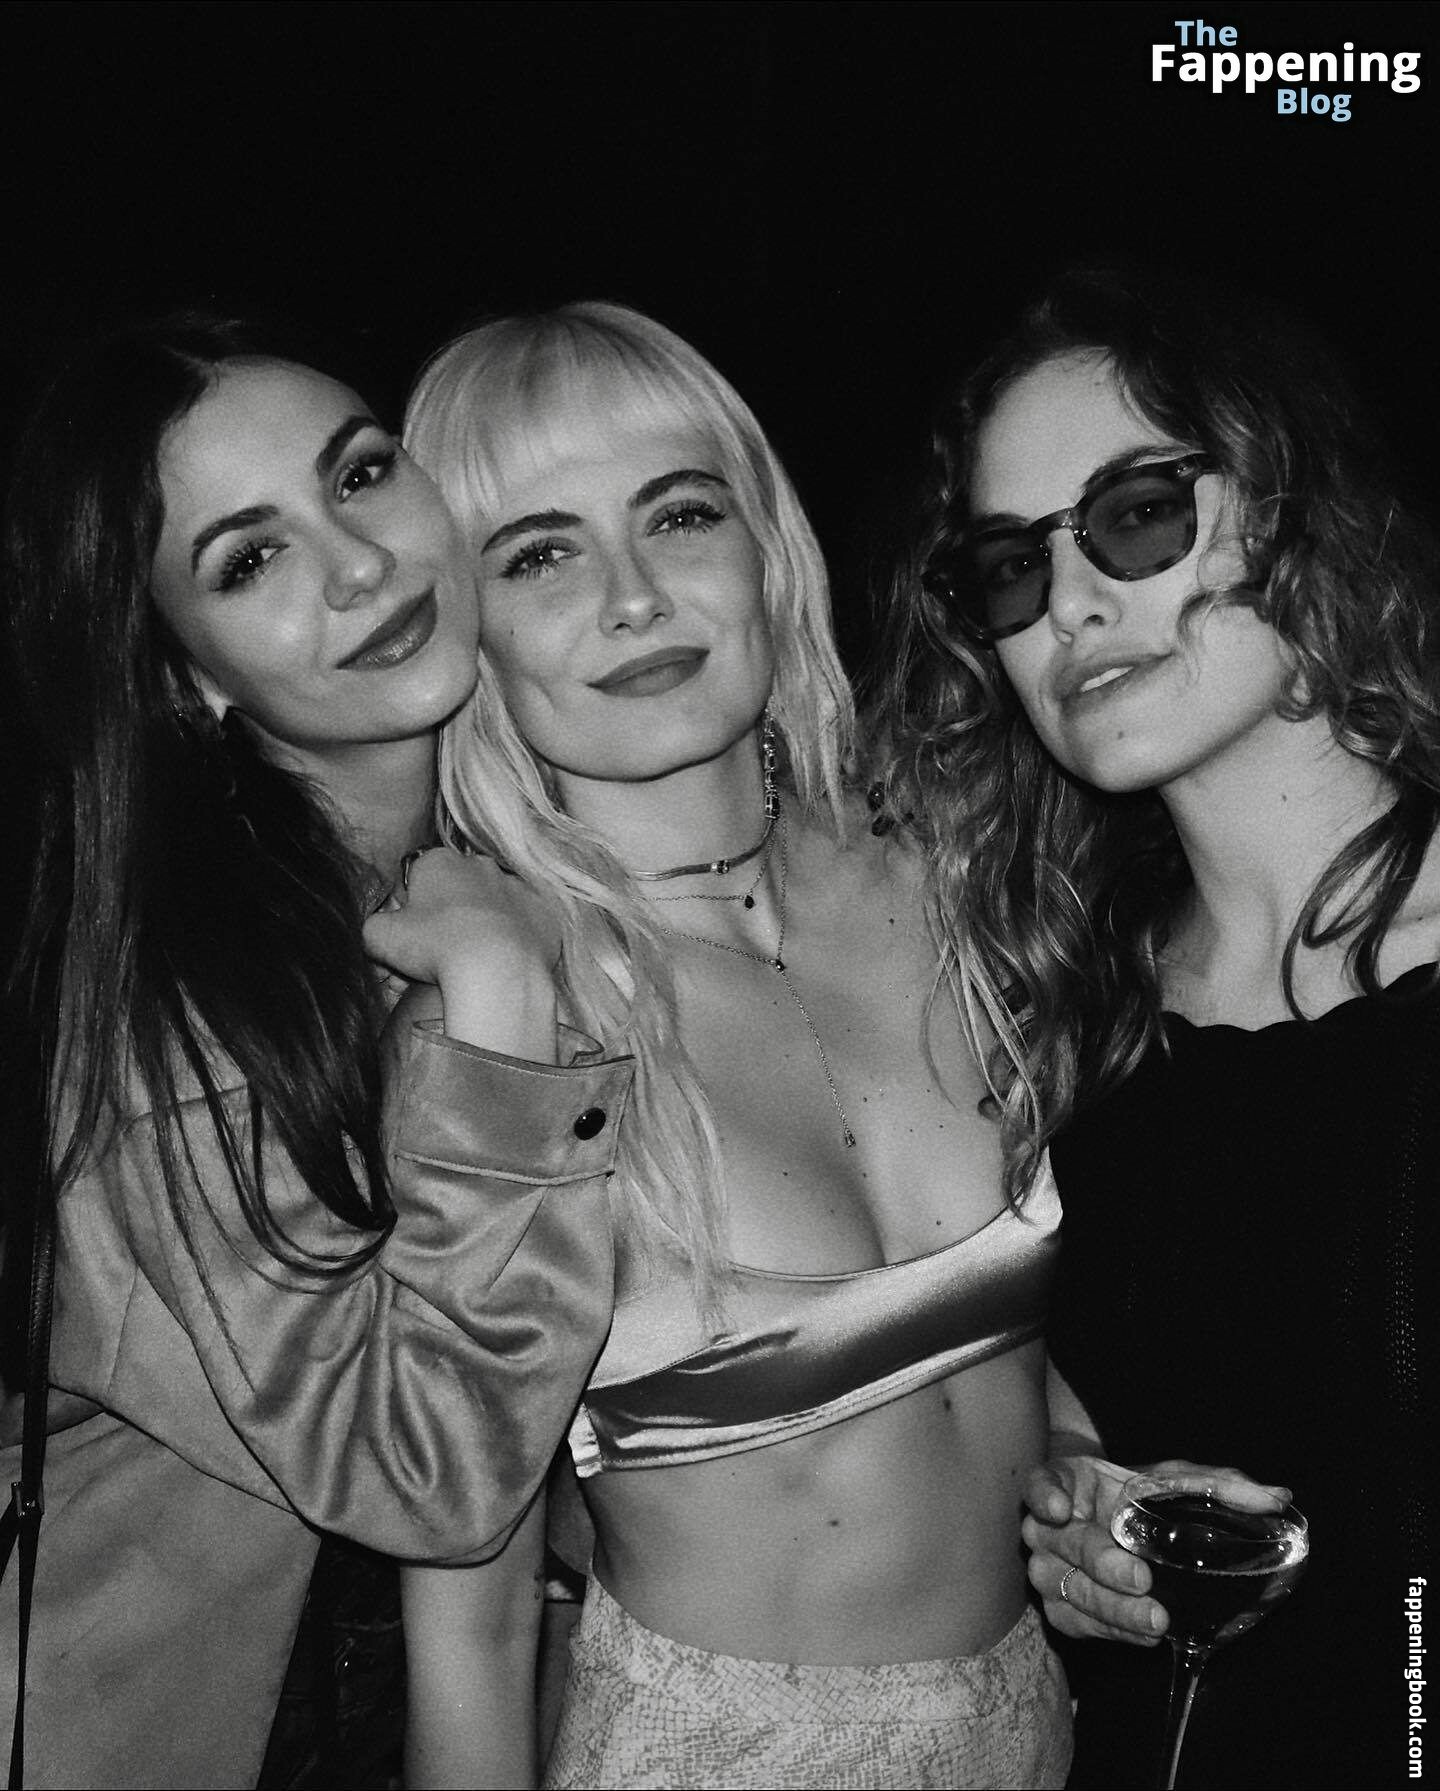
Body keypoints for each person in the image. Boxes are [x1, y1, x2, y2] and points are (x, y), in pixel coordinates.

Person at [380, 300, 1073, 1791]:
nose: (633, 597)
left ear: (767, 546)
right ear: (465, 629)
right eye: (541, 555)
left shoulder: (945, 869)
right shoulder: (503, 1019)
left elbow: (989, 1357)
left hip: (1037, 1730)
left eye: (679, 516)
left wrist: (1102, 1500)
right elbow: (473, 1623)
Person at [0, 315, 632, 1789]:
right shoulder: (180, 1021)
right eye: (249, 560)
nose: (355, 565)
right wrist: (497, 998)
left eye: (359, 476)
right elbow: (432, 1474)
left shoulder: (499, 863)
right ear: (182, 677)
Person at [872, 262, 1437, 1788]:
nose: (1068, 604)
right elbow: (1053, 1418)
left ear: (1297, 512)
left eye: (1136, 514)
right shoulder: (1053, 1013)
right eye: (1009, 566)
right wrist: (1080, 1514)